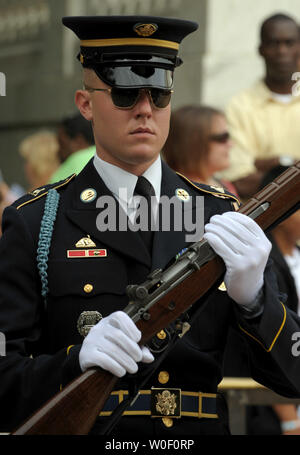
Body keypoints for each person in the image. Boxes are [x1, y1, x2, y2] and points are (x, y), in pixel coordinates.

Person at [0, 15, 300, 437]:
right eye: (124, 94)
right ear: (86, 104)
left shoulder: (221, 215)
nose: (145, 109)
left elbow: (293, 373)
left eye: (159, 95)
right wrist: (74, 362)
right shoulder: (38, 221)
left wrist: (256, 302)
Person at [224, 165, 300, 435]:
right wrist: (290, 418)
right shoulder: (265, 260)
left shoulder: (296, 255)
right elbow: (271, 332)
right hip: (268, 403)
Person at [220, 13, 300, 199]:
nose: (282, 51)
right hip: (264, 225)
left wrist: (274, 164)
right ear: (261, 49)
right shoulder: (239, 106)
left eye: (289, 43)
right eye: (274, 43)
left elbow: (254, 180)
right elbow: (241, 183)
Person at [162, 104, 238, 196]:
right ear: (194, 144)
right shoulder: (172, 194)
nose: (231, 144)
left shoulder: (224, 184)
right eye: (223, 138)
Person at [49, 113, 95, 183]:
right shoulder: (108, 157)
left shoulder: (74, 163)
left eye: (62, 144)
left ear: (79, 142)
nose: (58, 151)